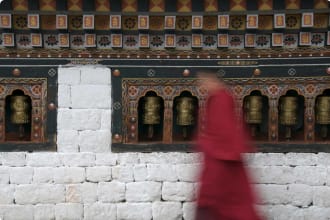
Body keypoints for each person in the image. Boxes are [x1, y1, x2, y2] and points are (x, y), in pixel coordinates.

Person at [195, 71, 263, 220]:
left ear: (213, 80)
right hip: (217, 157)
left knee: (226, 206)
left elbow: (225, 128)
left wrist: (209, 143)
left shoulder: (222, 98)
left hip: (223, 161)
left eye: (204, 81)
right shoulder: (215, 97)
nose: (203, 85)